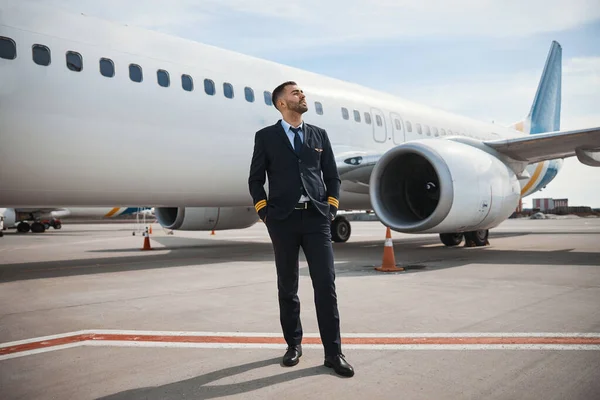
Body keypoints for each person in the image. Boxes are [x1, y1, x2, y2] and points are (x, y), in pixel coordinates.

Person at [248, 81, 354, 377]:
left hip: (317, 219)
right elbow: (255, 179)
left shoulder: (319, 134)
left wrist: (331, 208)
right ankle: (293, 345)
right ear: (282, 103)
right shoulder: (266, 137)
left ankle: (333, 353)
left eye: (302, 92)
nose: (302, 95)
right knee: (288, 287)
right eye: (295, 93)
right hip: (282, 221)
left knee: (325, 286)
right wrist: (264, 212)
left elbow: (332, 175)